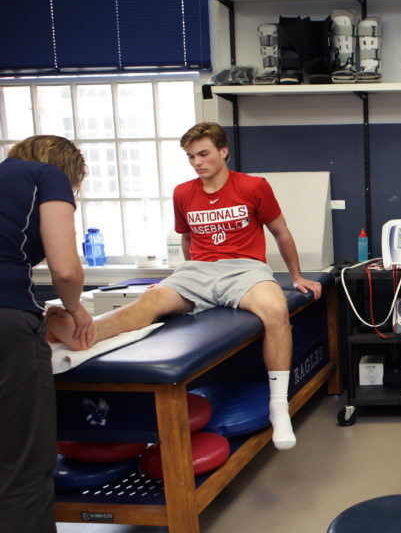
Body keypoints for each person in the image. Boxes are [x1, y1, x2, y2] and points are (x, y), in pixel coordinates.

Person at [47, 122, 322, 450]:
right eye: (191, 157)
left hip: (245, 270)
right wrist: (190, 280)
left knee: (276, 310)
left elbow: (281, 232)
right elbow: (188, 239)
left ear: (223, 151)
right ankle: (86, 333)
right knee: (146, 304)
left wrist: (296, 277)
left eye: (203, 154)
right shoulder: (183, 193)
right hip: (197, 271)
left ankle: (279, 406)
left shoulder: (253, 186)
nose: (197, 162)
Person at [1, 135, 93, 533]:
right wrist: (75, 309)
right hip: (7, 324)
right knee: (21, 463)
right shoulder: (47, 176)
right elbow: (67, 269)